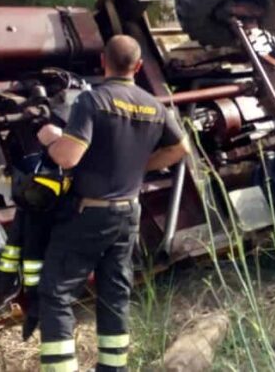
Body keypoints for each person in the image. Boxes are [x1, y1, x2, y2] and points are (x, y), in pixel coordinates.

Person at [35, 35, 189, 371]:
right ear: (138, 66)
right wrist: (141, 165)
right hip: (128, 213)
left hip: (90, 214)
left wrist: (49, 139)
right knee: (115, 293)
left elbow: (69, 157)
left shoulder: (92, 101)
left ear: (103, 61)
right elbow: (181, 148)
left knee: (56, 293)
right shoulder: (154, 105)